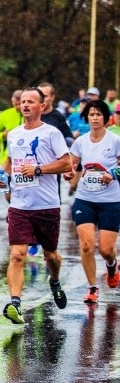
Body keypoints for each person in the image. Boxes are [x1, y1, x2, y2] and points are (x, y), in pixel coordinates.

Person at [0, 88, 72, 324]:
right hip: (20, 205)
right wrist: (2, 177)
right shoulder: (15, 134)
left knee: (51, 256)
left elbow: (67, 163)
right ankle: (16, 303)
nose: (25, 105)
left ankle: (55, 281)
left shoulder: (52, 133)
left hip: (47, 205)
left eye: (31, 102)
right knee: (17, 255)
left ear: (42, 106)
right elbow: (10, 162)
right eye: (23, 102)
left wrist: (39, 169)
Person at [64, 100, 120, 305]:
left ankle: (112, 265)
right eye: (91, 114)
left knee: (105, 249)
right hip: (85, 199)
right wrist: (69, 173)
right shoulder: (81, 142)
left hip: (110, 201)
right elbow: (72, 166)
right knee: (87, 245)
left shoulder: (115, 141)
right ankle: (92, 287)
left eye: (98, 114)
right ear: (86, 117)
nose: (95, 118)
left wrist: (112, 174)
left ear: (106, 118)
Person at [0, 89, 24, 165]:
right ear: (12, 100)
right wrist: (3, 135)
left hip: (26, 160)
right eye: (16, 103)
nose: (18, 107)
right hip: (7, 160)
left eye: (20, 103)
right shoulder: (5, 115)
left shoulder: (31, 115)